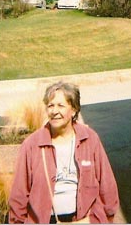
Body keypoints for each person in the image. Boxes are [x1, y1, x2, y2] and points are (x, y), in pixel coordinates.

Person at [9, 81, 120, 224]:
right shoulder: (32, 145)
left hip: (85, 221)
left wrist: (100, 219)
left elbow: (107, 186)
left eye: (60, 105)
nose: (54, 111)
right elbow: (19, 195)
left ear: (73, 109)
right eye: (50, 105)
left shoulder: (89, 139)